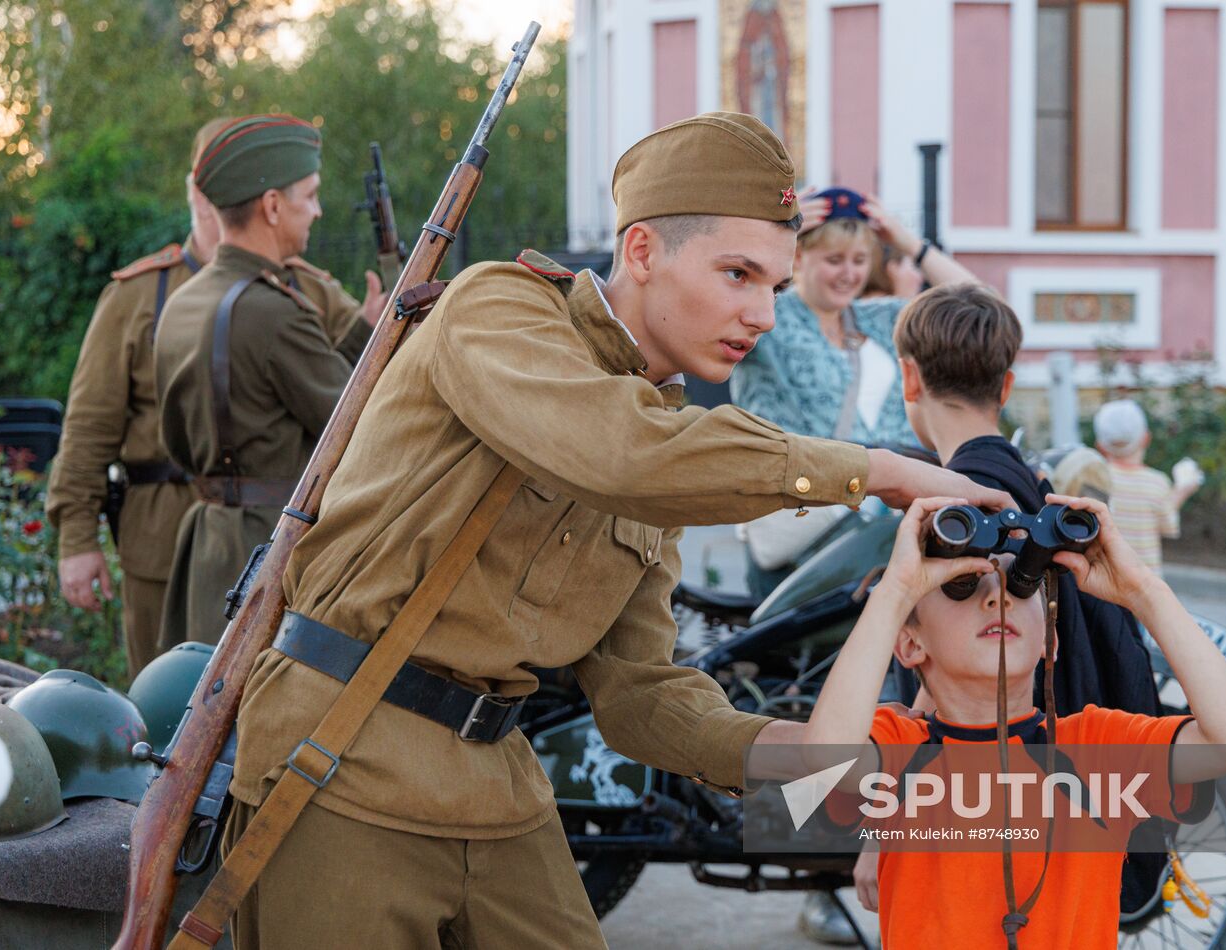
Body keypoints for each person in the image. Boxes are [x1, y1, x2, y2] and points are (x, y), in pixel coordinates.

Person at [213, 112, 1012, 949]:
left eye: (776, 288)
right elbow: (620, 452)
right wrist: (878, 471)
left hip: (496, 783)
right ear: (641, 250)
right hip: (339, 759)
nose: (764, 316)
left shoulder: (664, 439)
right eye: (737, 274)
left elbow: (641, 695)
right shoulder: (498, 310)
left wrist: (817, 760)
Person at [779, 493, 1226, 949]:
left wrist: (1144, 591)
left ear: (1049, 640)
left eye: (1022, 583)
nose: (999, 598)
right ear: (910, 644)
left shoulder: (1097, 748)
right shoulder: (900, 748)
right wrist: (896, 591)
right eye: (961, 586)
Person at [844, 285, 1168, 919]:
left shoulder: (957, 511)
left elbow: (951, 666)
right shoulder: (1035, 485)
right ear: (1008, 386)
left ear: (910, 379)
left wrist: (879, 828)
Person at [45, 117, 381, 676]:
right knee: (168, 695)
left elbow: (335, 381)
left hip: (248, 536)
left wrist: (368, 330)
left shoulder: (300, 285)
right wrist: (76, 537)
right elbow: (88, 427)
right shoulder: (141, 294)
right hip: (165, 543)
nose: (317, 210)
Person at [154, 115, 383, 647]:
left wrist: (362, 333)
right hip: (271, 556)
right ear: (273, 205)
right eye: (311, 195)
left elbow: (207, 423)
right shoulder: (273, 311)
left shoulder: (184, 301)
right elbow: (357, 424)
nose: (318, 210)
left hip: (208, 545)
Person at [730, 186, 974, 448]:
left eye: (859, 260)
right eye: (834, 260)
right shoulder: (768, 313)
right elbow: (715, 294)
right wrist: (770, 235)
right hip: (801, 472)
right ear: (798, 256)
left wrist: (909, 244)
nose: (848, 274)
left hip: (906, 471)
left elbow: (978, 307)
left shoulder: (882, 318)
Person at [1092, 398, 1201, 574]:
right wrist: (1182, 491)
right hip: (1146, 583)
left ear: (1100, 446)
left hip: (1105, 580)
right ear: (1146, 438)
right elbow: (1166, 524)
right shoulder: (1156, 482)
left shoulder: (1095, 479)